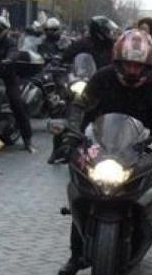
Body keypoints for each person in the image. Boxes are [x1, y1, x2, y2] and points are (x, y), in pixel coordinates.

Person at [56, 29, 152, 275]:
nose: (133, 70)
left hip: (143, 144)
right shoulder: (102, 78)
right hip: (103, 143)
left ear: (148, 65)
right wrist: (70, 134)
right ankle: (76, 255)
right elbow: (80, 106)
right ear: (118, 62)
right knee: (83, 186)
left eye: (138, 65)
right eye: (128, 65)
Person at [49, 16, 120, 164]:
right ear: (99, 31)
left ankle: (108, 152)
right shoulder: (82, 44)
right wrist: (59, 62)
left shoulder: (113, 47)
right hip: (84, 83)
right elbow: (67, 55)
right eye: (107, 30)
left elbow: (120, 63)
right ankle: (58, 149)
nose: (109, 33)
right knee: (66, 108)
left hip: (103, 87)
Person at [0, 14, 35, 153]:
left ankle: (28, 141)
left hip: (7, 78)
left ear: (4, 29)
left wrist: (8, 59)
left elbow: (14, 52)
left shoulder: (10, 42)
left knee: (16, 103)